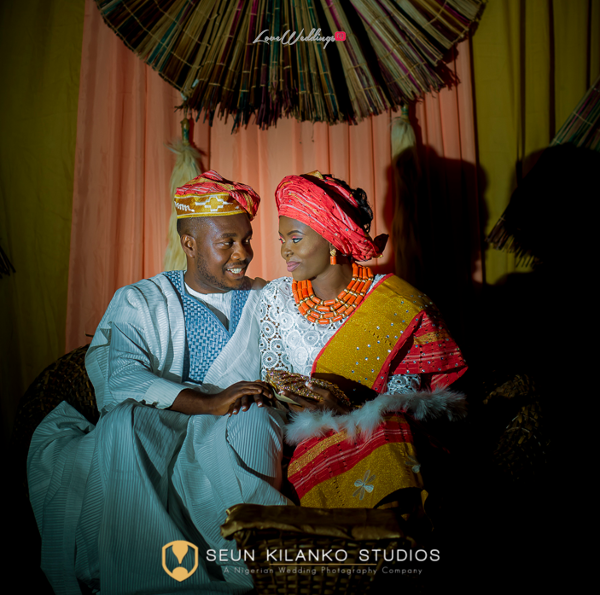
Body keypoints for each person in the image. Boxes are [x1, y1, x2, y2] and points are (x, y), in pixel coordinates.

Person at [27, 171, 288, 595]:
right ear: (189, 244)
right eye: (228, 242)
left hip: (232, 420)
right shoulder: (141, 299)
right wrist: (208, 402)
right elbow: (122, 378)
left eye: (247, 239)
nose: (244, 253)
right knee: (122, 424)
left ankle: (249, 574)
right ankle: (145, 581)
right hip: (164, 418)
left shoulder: (268, 298)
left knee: (256, 423)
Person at [258, 171, 467, 513]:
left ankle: (394, 547)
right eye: (282, 239)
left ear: (331, 237)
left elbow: (405, 396)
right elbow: (276, 376)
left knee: (389, 431)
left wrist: (346, 403)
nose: (285, 250)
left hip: (386, 431)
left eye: (294, 238)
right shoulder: (275, 298)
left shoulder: (397, 303)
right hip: (303, 435)